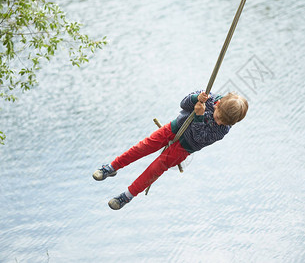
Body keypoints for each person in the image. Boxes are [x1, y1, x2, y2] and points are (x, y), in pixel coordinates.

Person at [93, 90, 249, 210]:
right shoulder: (208, 97)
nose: (219, 122)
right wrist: (196, 99)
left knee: (155, 169)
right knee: (142, 148)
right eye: (219, 117)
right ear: (218, 103)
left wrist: (200, 117)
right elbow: (183, 104)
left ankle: (127, 196)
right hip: (174, 128)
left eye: (223, 122)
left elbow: (199, 137)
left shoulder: (222, 130)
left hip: (184, 147)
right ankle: (112, 167)